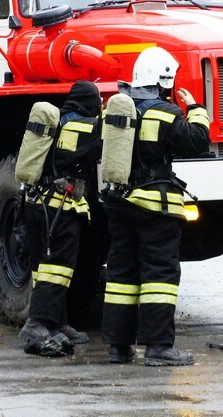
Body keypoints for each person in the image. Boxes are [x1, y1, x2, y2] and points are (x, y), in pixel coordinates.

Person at [101, 46, 210, 366]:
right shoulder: (167, 112)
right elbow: (197, 142)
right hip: (154, 208)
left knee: (121, 274)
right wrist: (196, 108)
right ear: (163, 81)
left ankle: (118, 347)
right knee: (159, 275)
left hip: (119, 203)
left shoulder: (113, 109)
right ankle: (159, 347)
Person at [19, 81, 103, 358]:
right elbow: (101, 143)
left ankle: (57, 322)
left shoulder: (59, 121)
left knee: (42, 266)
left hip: (36, 204)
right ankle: (37, 324)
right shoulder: (82, 126)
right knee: (58, 268)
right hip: (58, 206)